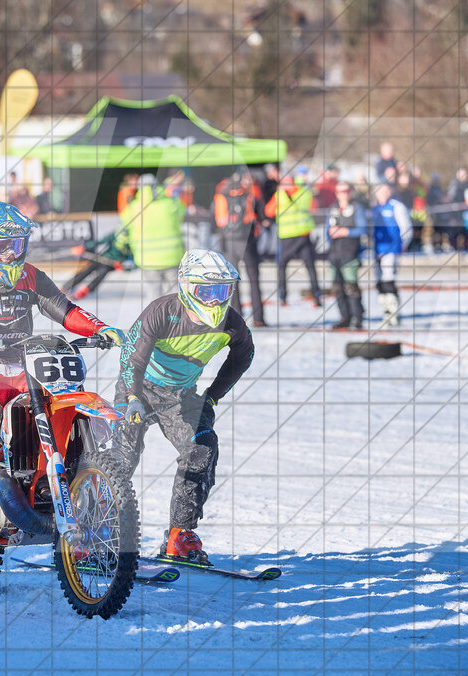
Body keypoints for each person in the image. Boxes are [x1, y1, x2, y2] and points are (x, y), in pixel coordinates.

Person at [0, 200, 125, 534]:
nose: (9, 254)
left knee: (71, 408)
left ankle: (84, 490)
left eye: (17, 245)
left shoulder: (30, 275)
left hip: (26, 365)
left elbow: (64, 309)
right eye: (1, 245)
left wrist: (99, 328)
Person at [112, 249, 254, 564]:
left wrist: (213, 395)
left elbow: (244, 355)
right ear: (187, 288)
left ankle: (180, 534)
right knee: (123, 457)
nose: (216, 301)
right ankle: (96, 531)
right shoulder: (161, 311)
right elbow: (131, 358)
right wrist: (133, 397)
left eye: (223, 291)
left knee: (201, 448)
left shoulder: (230, 323)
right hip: (139, 388)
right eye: (207, 291)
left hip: (179, 394)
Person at [115, 174, 186, 300]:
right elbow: (181, 215)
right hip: (172, 257)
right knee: (177, 294)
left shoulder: (133, 208)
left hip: (147, 260)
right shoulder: (171, 204)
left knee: (154, 296)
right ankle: (179, 318)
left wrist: (120, 247)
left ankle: (158, 319)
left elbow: (123, 230)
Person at [212, 171, 266, 326]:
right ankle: (259, 318)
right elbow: (261, 215)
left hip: (228, 243)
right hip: (247, 241)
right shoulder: (249, 195)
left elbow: (212, 220)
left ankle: (237, 317)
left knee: (233, 283)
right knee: (254, 279)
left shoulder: (220, 196)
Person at [264, 175, 322, 306]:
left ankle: (283, 297)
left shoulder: (279, 195)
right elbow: (315, 208)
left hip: (287, 237)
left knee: (282, 266)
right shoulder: (306, 193)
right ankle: (316, 296)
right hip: (303, 235)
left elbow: (269, 211)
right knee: (310, 267)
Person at [326, 182, 368, 329]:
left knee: (351, 286)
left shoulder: (357, 208)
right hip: (334, 253)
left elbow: (363, 229)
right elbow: (328, 231)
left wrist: (345, 231)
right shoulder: (333, 209)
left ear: (350, 192)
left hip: (350, 253)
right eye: (339, 191)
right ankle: (345, 317)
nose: (342, 194)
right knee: (337, 287)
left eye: (345, 191)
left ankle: (357, 318)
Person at [370, 183, 413, 327]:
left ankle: (394, 313)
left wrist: (403, 245)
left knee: (388, 280)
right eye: (380, 190)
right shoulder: (374, 208)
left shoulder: (397, 207)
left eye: (385, 190)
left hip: (392, 249)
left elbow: (406, 228)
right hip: (377, 249)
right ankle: (386, 310)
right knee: (379, 282)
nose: (383, 193)